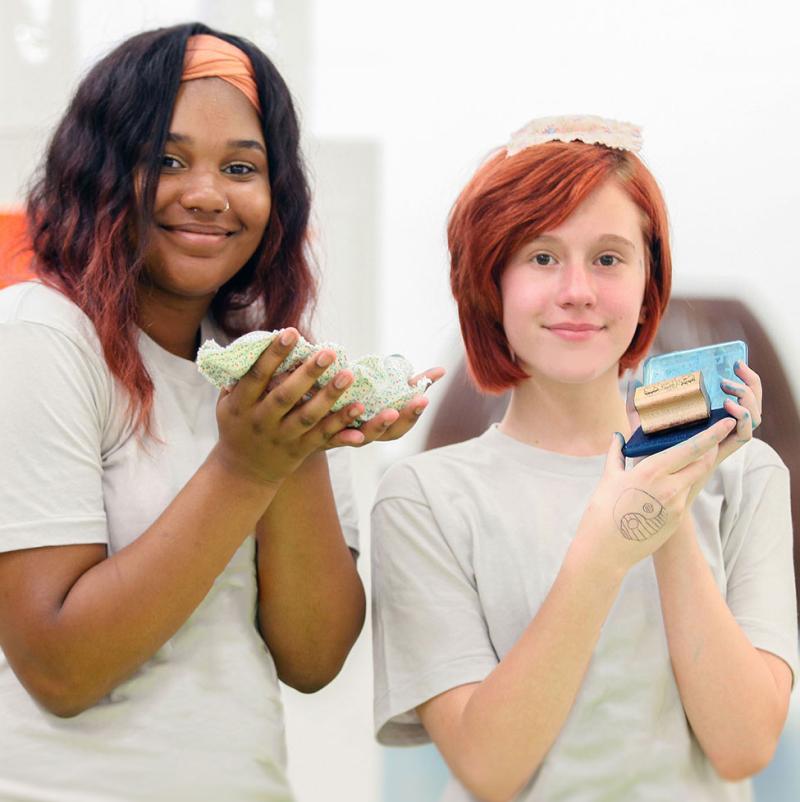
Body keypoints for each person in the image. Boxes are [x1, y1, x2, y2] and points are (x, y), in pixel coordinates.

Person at [0, 22, 439, 801]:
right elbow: (58, 668)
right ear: (100, 171)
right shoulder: (39, 336)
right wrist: (246, 465)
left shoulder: (258, 364)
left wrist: (298, 444)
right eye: (167, 160)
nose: (206, 194)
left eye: (242, 166)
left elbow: (311, 658)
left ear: (277, 197)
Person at [371, 116, 798, 802]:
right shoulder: (425, 496)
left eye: (608, 258)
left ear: (645, 280)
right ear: (491, 281)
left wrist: (669, 500)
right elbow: (488, 769)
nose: (578, 290)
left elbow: (743, 744)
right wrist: (604, 551)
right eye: (542, 257)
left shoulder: (745, 475)